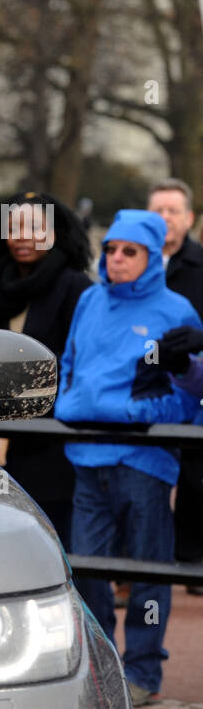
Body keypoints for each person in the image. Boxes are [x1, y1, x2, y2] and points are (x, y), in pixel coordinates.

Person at [55, 209, 203, 706]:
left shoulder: (177, 310)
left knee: (149, 575)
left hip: (144, 463)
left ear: (154, 256)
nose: (115, 258)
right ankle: (100, 667)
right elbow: (70, 363)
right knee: (88, 571)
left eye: (129, 251)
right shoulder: (89, 300)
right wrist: (75, 403)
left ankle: (142, 671)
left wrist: (133, 412)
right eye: (111, 248)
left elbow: (189, 398)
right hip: (86, 457)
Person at [0, 192, 92, 548]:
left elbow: (79, 362)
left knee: (52, 539)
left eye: (34, 227)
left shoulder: (75, 286)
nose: (22, 236)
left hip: (50, 438)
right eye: (13, 228)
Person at [148, 178, 203, 591]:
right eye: (158, 210)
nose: (165, 218)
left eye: (172, 211)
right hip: (144, 384)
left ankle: (192, 557)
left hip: (193, 384)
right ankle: (139, 566)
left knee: (195, 471)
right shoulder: (128, 260)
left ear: (190, 219)